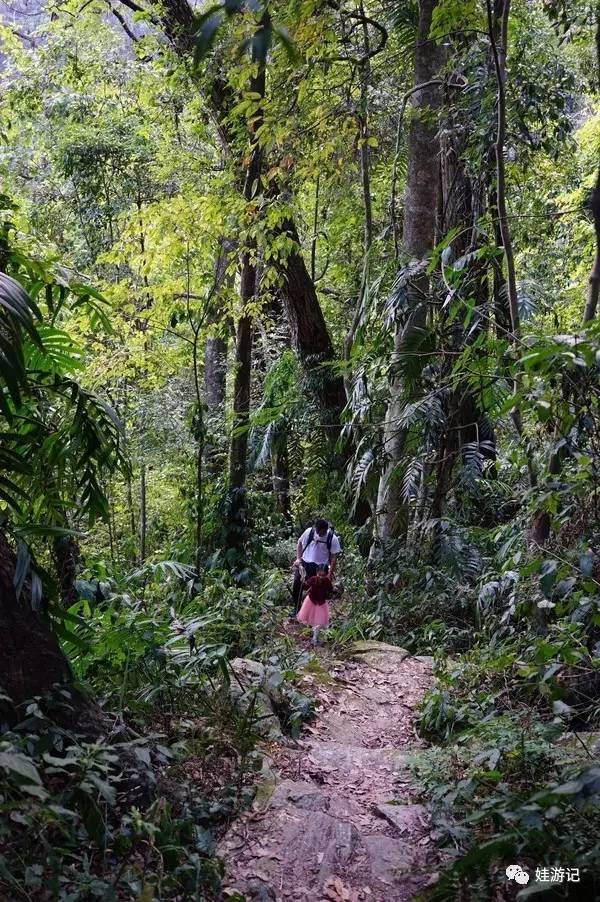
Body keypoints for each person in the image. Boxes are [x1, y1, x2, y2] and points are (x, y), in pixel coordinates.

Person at [291, 518, 341, 614]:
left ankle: (311, 612)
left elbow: (334, 557)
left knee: (315, 590)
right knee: (297, 583)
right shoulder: (309, 532)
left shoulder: (332, 538)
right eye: (317, 531)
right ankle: (297, 609)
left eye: (321, 532)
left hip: (320, 568)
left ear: (326, 530)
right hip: (305, 563)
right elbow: (299, 543)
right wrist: (298, 558)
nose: (318, 534)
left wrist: (330, 574)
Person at [296, 564, 333, 645]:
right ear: (316, 573)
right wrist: (302, 580)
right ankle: (311, 634)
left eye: (323, 575)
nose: (320, 577)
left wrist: (332, 591)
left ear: (326, 574)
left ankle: (315, 638)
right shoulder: (313, 579)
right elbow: (305, 586)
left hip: (321, 603)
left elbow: (331, 589)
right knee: (310, 618)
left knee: (319, 622)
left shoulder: (327, 581)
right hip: (311, 601)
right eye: (319, 574)